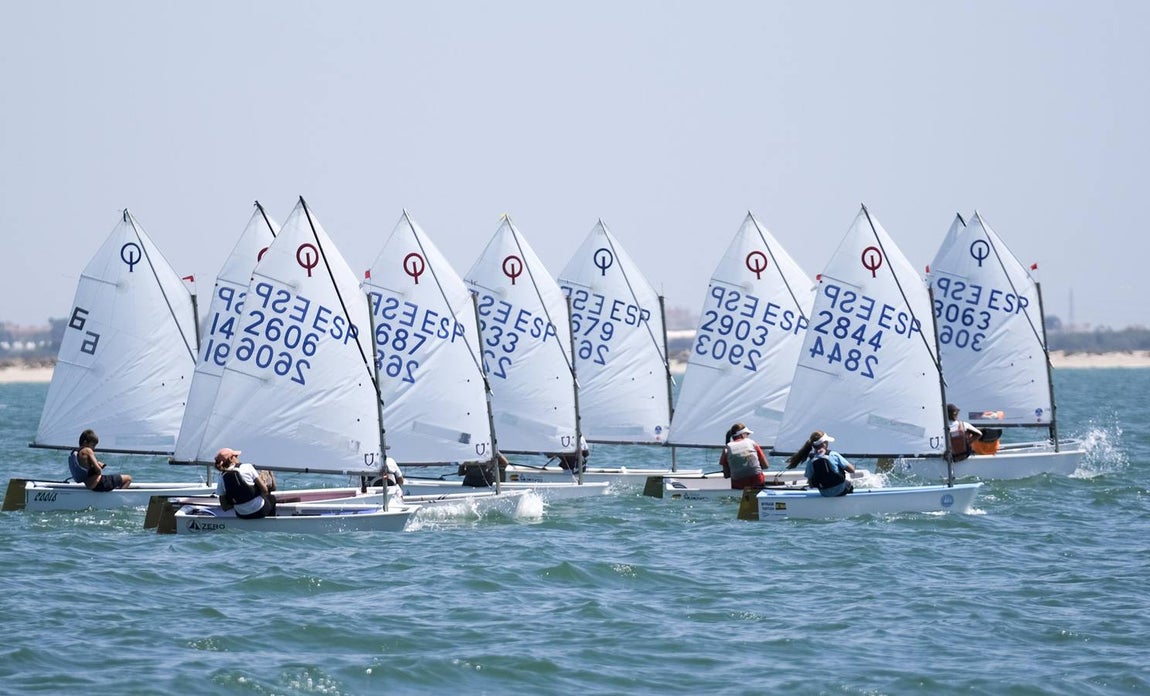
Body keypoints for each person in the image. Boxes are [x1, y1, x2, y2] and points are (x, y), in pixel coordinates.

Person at [788, 431, 855, 497]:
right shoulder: (833, 454)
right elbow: (852, 470)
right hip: (840, 491)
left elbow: (811, 484)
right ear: (824, 443)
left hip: (824, 493)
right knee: (848, 483)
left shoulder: (811, 461)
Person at [214, 448, 276, 519]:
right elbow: (265, 490)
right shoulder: (247, 467)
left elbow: (224, 507)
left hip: (241, 515)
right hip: (260, 511)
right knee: (272, 498)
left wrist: (239, 502)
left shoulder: (221, 477)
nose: (238, 458)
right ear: (231, 459)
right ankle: (271, 524)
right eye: (236, 456)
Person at [67, 429, 132, 491]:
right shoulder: (87, 450)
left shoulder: (77, 452)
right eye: (93, 445)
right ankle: (118, 498)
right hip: (97, 483)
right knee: (128, 478)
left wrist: (94, 467)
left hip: (88, 484)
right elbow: (98, 470)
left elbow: (86, 468)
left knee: (117, 479)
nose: (94, 448)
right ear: (85, 442)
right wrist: (99, 468)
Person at [718, 422, 769, 489]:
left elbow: (726, 475)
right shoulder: (752, 443)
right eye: (747, 434)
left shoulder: (727, 448)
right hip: (757, 483)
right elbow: (765, 466)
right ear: (742, 435)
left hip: (738, 486)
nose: (748, 436)